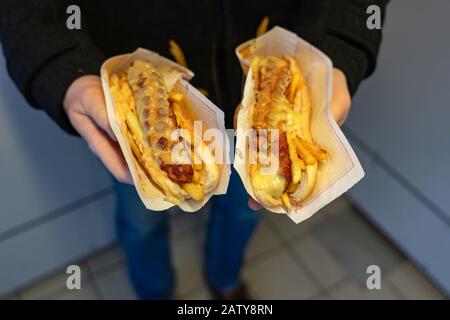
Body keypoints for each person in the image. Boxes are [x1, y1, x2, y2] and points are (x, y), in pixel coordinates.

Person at [0, 0, 388, 299]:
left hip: (255, 95)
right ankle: (155, 293)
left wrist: (339, 43)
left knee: (245, 209)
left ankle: (225, 281)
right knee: (141, 220)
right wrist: (62, 67)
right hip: (124, 93)